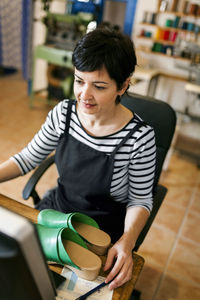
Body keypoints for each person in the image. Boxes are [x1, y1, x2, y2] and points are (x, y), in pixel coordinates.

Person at [0, 28, 156, 289]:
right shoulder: (64, 114)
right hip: (58, 212)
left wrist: (127, 242)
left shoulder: (139, 139)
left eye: (99, 86)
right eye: (79, 80)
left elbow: (140, 198)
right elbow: (27, 158)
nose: (84, 94)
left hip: (100, 234)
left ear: (124, 85)